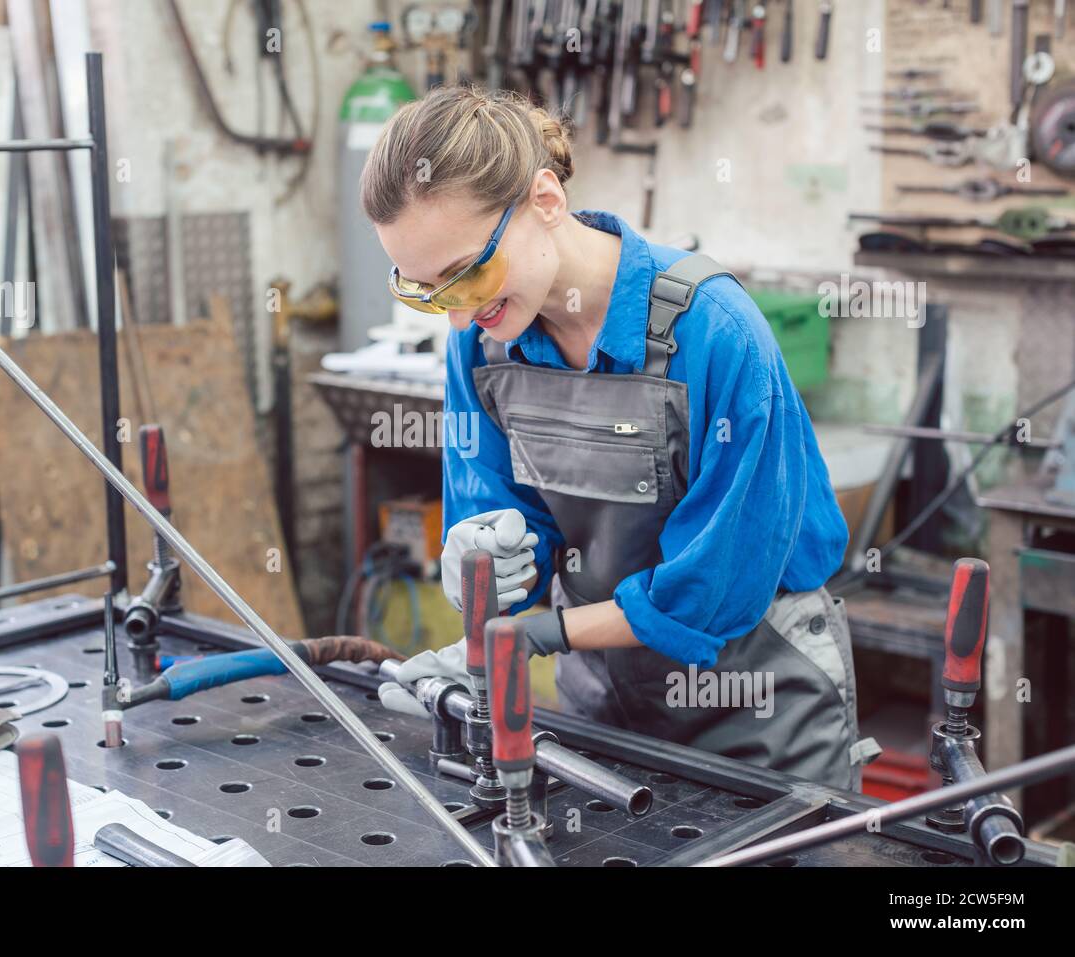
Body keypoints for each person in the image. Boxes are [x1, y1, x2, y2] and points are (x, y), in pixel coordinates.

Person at [361, 85, 875, 791]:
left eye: (466, 274)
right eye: (424, 291)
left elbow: (715, 586)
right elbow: (504, 512)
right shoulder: (483, 342)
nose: (455, 315)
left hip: (755, 699)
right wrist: (487, 557)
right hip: (599, 704)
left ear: (545, 200)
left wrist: (542, 634)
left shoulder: (714, 331)